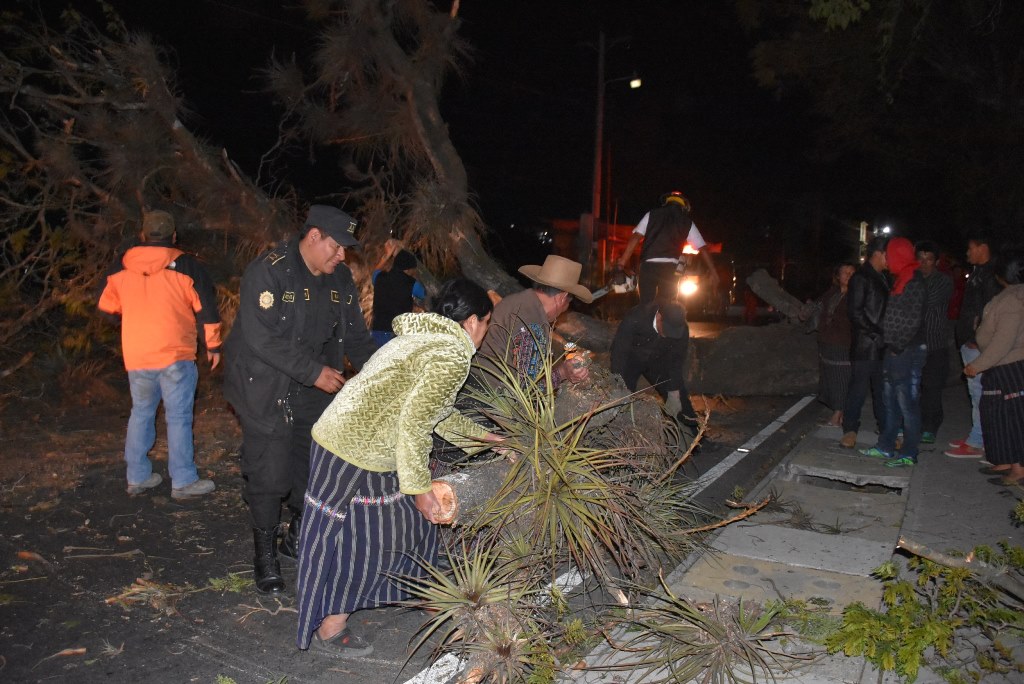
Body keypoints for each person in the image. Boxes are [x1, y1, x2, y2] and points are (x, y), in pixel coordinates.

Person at [295, 278, 502, 656]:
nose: (485, 333)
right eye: (487, 323)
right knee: (364, 540)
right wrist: (419, 489)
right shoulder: (452, 354)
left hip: (360, 441)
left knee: (412, 526)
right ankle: (330, 627)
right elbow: (416, 424)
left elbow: (437, 413)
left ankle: (424, 593)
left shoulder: (425, 339)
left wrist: (490, 440)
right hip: (353, 448)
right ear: (472, 321)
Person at [223, 205, 377, 595]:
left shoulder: (340, 279)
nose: (342, 256)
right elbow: (261, 338)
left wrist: (383, 376)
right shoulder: (270, 271)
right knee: (269, 472)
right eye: (337, 246)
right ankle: (265, 555)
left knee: (312, 468)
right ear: (313, 236)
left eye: (345, 249)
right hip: (265, 386)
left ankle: (296, 537)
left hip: (314, 389)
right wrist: (313, 372)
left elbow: (357, 338)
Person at [98, 210, 221, 499]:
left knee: (141, 412)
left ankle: (137, 477)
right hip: (175, 354)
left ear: (143, 235)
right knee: (178, 417)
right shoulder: (187, 265)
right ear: (173, 236)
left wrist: (130, 314)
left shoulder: (121, 265)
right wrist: (213, 346)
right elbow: (207, 309)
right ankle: (183, 481)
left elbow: (106, 308)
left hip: (138, 353)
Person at [475, 254, 594, 388]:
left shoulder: (517, 301)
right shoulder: (534, 326)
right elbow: (530, 389)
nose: (565, 310)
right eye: (568, 303)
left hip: (477, 381)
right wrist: (562, 372)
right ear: (562, 297)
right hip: (491, 394)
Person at [859, 238, 927, 467]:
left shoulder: (914, 281)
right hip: (895, 349)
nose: (886, 260)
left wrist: (897, 347)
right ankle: (886, 446)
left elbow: (912, 319)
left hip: (907, 350)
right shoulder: (901, 279)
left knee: (907, 403)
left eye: (889, 255)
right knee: (890, 401)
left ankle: (909, 452)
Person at [965, 251, 1024, 484]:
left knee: (1012, 417)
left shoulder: (1014, 299)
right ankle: (1006, 460)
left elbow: (1003, 340)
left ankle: (1018, 469)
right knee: (997, 414)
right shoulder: (1011, 295)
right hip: (1001, 365)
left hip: (1009, 366)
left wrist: (977, 365)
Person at [946, 233, 1003, 458]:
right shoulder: (978, 272)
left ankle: (979, 441)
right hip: (970, 341)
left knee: (981, 393)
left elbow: (989, 312)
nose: (967, 252)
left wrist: (978, 339)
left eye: (971, 248)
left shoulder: (991, 275)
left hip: (977, 344)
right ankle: (977, 437)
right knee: (976, 392)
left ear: (982, 247)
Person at [615, 191, 719, 306]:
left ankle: (647, 315)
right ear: (684, 206)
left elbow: (635, 237)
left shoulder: (652, 214)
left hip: (648, 266)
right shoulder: (687, 222)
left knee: (646, 306)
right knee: (667, 306)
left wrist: (622, 262)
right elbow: (703, 249)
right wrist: (714, 273)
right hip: (670, 269)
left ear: (666, 202)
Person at [610, 300, 699, 430]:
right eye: (667, 330)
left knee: (679, 396)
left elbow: (676, 361)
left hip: (658, 360)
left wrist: (674, 392)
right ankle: (619, 429)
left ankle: (694, 434)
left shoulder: (681, 328)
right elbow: (619, 352)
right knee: (622, 395)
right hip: (632, 359)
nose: (669, 335)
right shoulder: (636, 317)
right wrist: (618, 382)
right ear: (659, 316)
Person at [840, 236, 890, 448]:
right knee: (858, 390)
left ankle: (887, 430)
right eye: (888, 254)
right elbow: (855, 312)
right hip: (865, 345)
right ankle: (850, 429)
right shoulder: (861, 277)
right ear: (878, 253)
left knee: (882, 391)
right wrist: (876, 334)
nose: (890, 259)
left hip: (881, 345)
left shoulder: (883, 277)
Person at [914, 241, 954, 444]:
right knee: (912, 387)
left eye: (928, 259)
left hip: (934, 343)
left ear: (936, 261)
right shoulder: (912, 278)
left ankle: (930, 426)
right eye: (920, 258)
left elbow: (925, 302)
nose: (924, 263)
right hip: (913, 342)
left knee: (932, 387)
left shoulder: (943, 281)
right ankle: (911, 424)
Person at [813, 262, 856, 427]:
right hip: (827, 340)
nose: (848, 275)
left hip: (844, 342)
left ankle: (838, 415)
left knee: (841, 379)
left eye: (852, 272)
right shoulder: (832, 293)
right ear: (838, 276)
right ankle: (840, 413)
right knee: (830, 378)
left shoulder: (857, 295)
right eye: (845, 272)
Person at [370, 245, 425, 346]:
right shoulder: (412, 284)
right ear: (408, 269)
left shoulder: (379, 276)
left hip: (377, 330)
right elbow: (423, 294)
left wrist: (387, 255)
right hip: (396, 333)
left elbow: (375, 272)